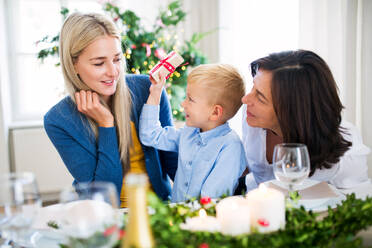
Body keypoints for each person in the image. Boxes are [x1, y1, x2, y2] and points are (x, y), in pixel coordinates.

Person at [43, 12, 178, 207]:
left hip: (159, 210)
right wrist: (106, 124)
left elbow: (174, 164)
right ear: (73, 65)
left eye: (117, 59)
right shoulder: (59, 120)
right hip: (105, 217)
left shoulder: (146, 90)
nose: (113, 72)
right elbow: (102, 196)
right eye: (99, 63)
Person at [240, 50, 370, 192]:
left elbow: (358, 199)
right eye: (253, 87)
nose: (245, 99)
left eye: (260, 97)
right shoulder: (252, 118)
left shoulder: (346, 155)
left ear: (293, 111)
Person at [139, 64, 247, 202]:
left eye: (190, 99)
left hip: (202, 220)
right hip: (176, 216)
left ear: (215, 112)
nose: (183, 104)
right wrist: (155, 92)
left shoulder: (231, 147)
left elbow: (209, 200)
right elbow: (151, 135)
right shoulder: (189, 133)